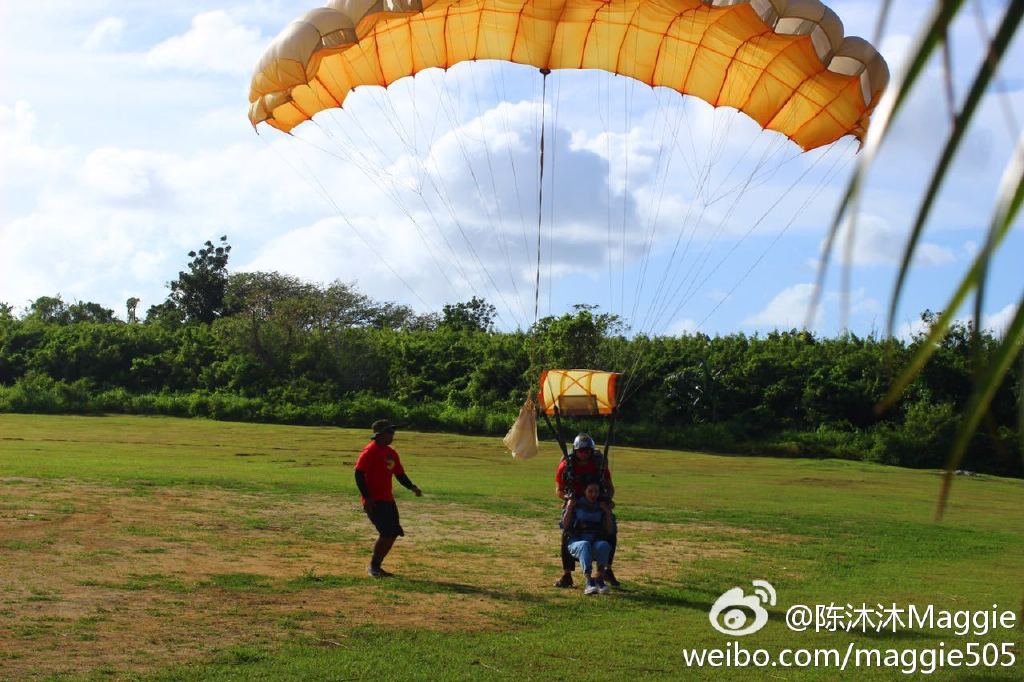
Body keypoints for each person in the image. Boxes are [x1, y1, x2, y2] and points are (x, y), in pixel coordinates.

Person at [354, 419, 422, 577]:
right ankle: (373, 567)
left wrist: (412, 487)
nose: (393, 435)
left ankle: (377, 565)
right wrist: (367, 497)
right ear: (380, 434)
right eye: (389, 432)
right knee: (386, 533)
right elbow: (358, 474)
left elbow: (399, 474)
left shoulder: (391, 453)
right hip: (374, 501)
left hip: (388, 499)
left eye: (393, 432)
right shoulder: (370, 451)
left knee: (393, 533)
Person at [553, 433, 620, 588]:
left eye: (587, 450)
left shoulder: (599, 464)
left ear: (591, 451)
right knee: (567, 531)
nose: (584, 453)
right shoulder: (566, 465)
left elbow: (609, 487)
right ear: (576, 451)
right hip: (575, 501)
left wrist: (606, 500)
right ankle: (567, 574)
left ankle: (606, 570)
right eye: (580, 450)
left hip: (596, 499)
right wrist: (569, 500)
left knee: (611, 531)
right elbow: (558, 489)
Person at [562, 482, 614, 595]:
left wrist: (607, 512)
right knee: (584, 544)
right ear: (584, 492)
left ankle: (600, 580)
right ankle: (589, 581)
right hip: (577, 541)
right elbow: (565, 526)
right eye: (590, 491)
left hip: (595, 541)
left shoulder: (601, 506)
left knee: (604, 545)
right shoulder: (576, 504)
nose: (593, 494)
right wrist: (569, 508)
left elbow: (610, 530)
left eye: (596, 491)